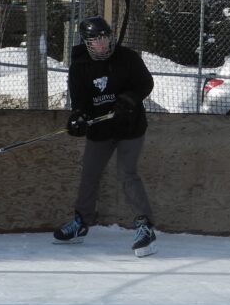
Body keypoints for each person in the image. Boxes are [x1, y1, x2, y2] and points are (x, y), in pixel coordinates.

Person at [54, 16, 157, 258]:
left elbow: (146, 83)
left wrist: (129, 99)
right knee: (90, 173)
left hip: (130, 127)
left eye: (105, 38)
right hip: (100, 129)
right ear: (87, 43)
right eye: (95, 40)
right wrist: (78, 118)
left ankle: (144, 226)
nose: (102, 44)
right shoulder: (80, 66)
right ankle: (81, 222)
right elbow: (79, 101)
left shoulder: (127, 58)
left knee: (127, 173)